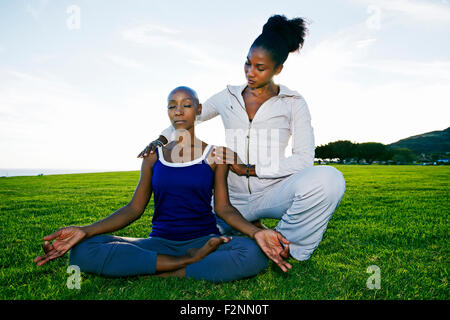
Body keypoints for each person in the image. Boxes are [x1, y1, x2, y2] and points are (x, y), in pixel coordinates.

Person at [138, 15, 346, 262]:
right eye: (247, 64)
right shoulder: (228, 97)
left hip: (272, 190)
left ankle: (284, 244)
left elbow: (303, 160)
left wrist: (249, 169)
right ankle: (246, 228)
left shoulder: (294, 103)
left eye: (260, 68)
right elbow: (189, 116)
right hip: (229, 199)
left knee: (329, 179)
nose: (250, 72)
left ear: (277, 69)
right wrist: (161, 139)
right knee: (198, 242)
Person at [34, 86, 292, 283]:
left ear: (199, 110)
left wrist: (256, 233)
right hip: (159, 242)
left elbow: (224, 209)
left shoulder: (216, 155)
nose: (178, 111)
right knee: (81, 252)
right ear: (167, 111)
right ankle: (186, 264)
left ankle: (160, 269)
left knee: (252, 252)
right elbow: (133, 209)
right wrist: (84, 230)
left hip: (205, 240)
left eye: (187, 105)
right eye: (172, 106)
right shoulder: (153, 157)